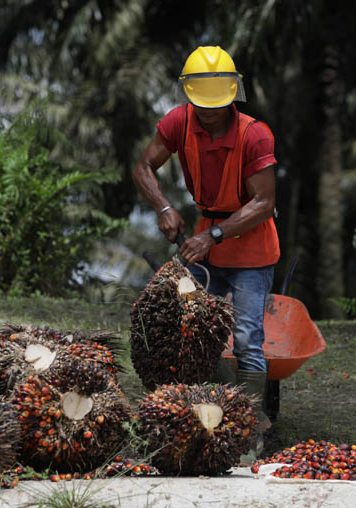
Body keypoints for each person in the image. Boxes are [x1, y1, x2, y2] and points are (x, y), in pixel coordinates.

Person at [131, 46, 279, 463]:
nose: (209, 112)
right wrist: (163, 206)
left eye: (217, 104)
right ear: (188, 95)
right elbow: (143, 167)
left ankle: (247, 430)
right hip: (204, 237)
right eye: (201, 104)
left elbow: (264, 202)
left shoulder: (255, 134)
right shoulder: (179, 123)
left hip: (249, 244)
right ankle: (215, 410)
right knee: (189, 326)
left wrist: (213, 235)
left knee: (248, 339)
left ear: (234, 93)